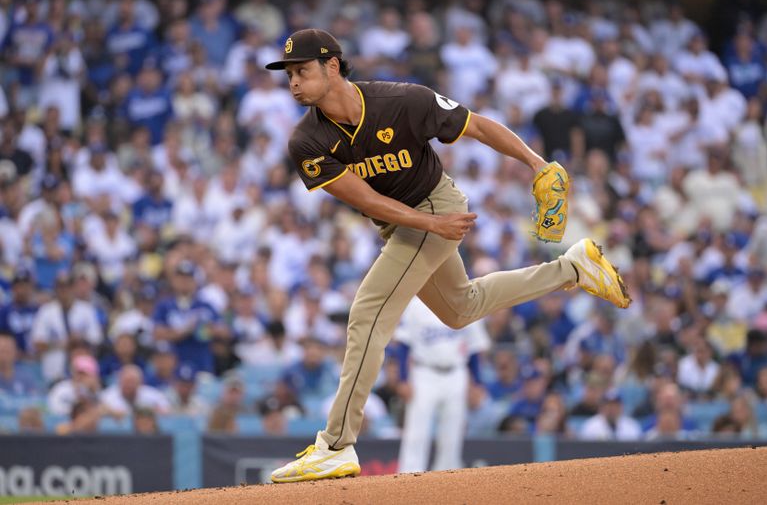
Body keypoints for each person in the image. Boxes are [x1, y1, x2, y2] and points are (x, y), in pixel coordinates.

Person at [264, 29, 630, 483]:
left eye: (301, 71)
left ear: (332, 66)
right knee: (462, 309)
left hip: (437, 205)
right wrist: (429, 227)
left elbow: (475, 125)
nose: (293, 82)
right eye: (289, 75)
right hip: (412, 222)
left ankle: (336, 445)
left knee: (367, 312)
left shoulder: (403, 101)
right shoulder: (307, 141)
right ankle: (574, 268)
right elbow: (369, 202)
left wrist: (538, 164)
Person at [395, 297, 490, 473]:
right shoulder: (416, 304)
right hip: (424, 372)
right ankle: (408, 475)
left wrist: (477, 382)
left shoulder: (465, 300)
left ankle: (448, 475)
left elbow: (474, 348)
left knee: (452, 431)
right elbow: (403, 344)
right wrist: (403, 378)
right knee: (417, 430)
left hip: (456, 373)